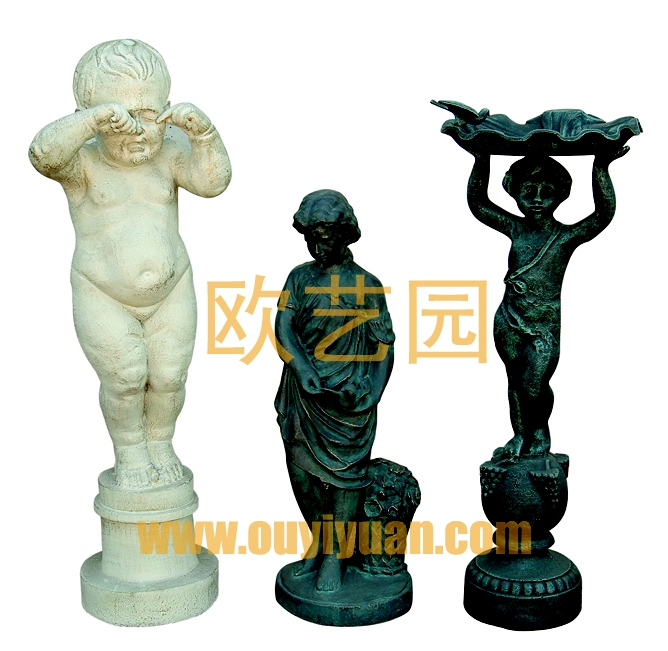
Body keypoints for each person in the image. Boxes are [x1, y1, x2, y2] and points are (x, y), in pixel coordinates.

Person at [29, 39, 231, 488]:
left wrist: (204, 136)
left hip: (172, 289)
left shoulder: (171, 150)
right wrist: (92, 121)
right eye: (118, 116)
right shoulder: (82, 161)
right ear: (89, 116)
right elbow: (42, 155)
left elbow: (212, 183)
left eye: (149, 114)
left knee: (170, 377)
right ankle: (130, 450)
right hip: (103, 292)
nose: (137, 130)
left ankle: (160, 441)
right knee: (125, 377)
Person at [466, 149, 627, 459]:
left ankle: (539, 431)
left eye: (546, 192)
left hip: (543, 327)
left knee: (534, 384)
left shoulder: (564, 237)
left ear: (561, 195)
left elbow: (602, 214)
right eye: (528, 192)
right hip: (509, 319)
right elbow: (479, 203)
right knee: (515, 380)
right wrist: (481, 158)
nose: (537, 199)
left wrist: (601, 166)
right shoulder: (515, 228)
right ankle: (519, 435)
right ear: (514, 193)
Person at [275, 190, 394, 591]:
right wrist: (301, 365)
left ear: (345, 235)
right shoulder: (299, 278)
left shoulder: (367, 285)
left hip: (349, 397)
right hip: (304, 394)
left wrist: (374, 392)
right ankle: (320, 541)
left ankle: (336, 557)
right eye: (311, 238)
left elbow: (383, 344)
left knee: (346, 478)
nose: (317, 247)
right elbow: (283, 326)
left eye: (325, 238)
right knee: (300, 473)